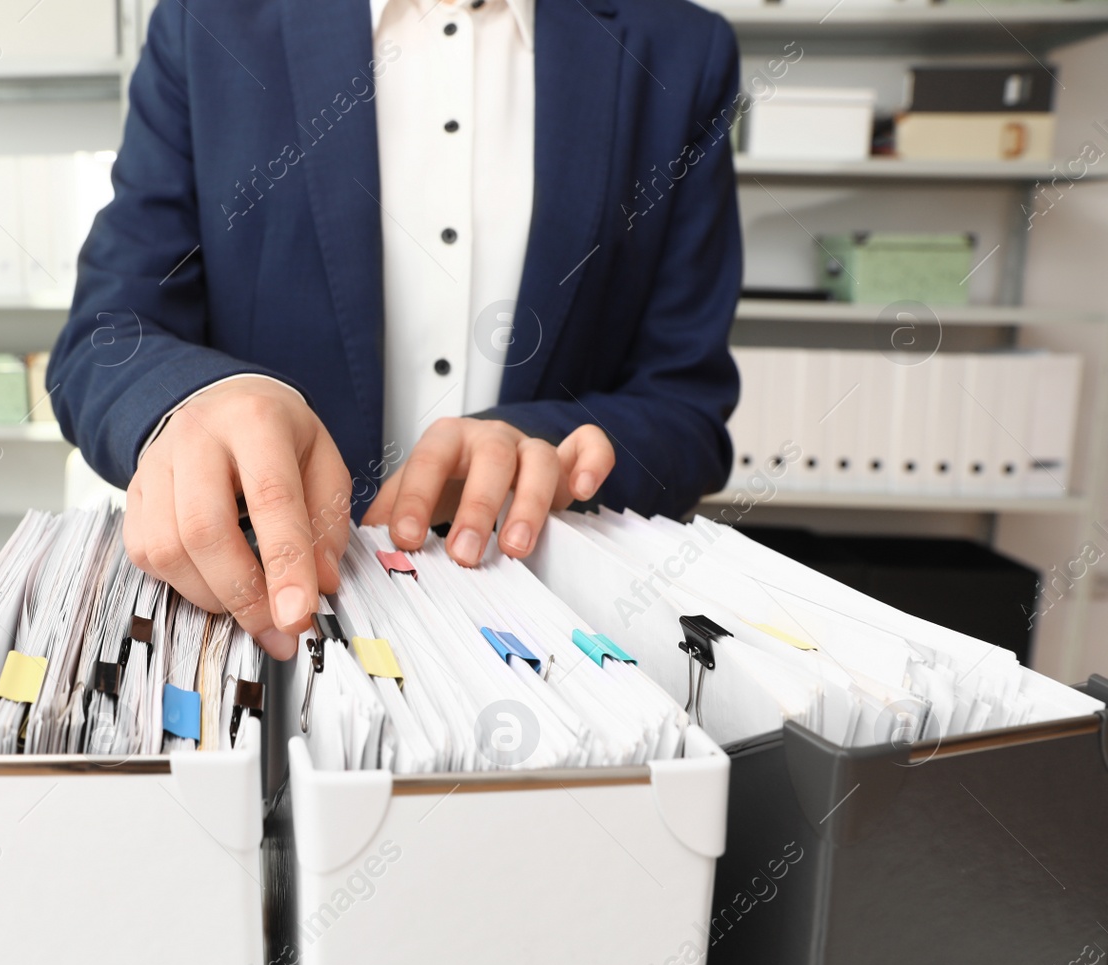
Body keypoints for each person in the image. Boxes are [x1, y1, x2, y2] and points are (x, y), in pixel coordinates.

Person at [49, 0, 743, 659]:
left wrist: (544, 446)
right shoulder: (208, 23)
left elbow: (684, 407)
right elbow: (107, 336)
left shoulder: (683, 52)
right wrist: (199, 400)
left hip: (554, 638)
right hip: (262, 626)